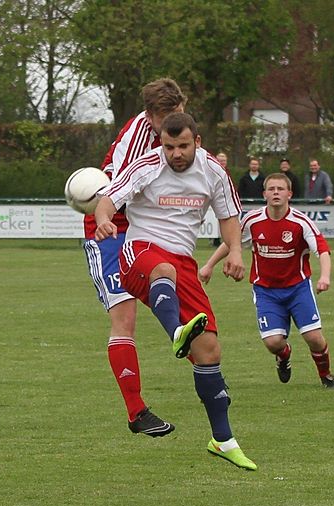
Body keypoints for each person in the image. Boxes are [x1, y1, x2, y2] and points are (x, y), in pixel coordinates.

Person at [94, 112, 257, 471]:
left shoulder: (213, 171)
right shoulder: (146, 165)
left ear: (197, 142)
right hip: (141, 254)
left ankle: (223, 440)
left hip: (183, 264)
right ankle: (176, 333)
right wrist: (105, 218)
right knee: (162, 270)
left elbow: (229, 215)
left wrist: (235, 251)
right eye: (169, 147)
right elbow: (108, 199)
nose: (175, 153)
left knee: (210, 350)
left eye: (183, 146)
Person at [82, 78, 187, 439]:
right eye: (164, 118)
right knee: (124, 318)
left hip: (147, 225)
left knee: (171, 284)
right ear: (149, 115)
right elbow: (114, 189)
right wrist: (103, 217)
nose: (170, 124)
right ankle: (136, 412)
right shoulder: (138, 137)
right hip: (111, 227)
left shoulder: (176, 132)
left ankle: (200, 359)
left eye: (176, 114)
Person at [199, 173, 334, 388]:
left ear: (289, 194)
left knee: (314, 338)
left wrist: (325, 277)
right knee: (273, 343)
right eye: (271, 189)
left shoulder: (300, 222)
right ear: (264, 194)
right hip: (266, 291)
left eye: (280, 189)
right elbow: (231, 242)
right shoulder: (253, 220)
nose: (276, 193)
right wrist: (209, 265)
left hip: (297, 289)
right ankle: (284, 356)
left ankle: (326, 376)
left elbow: (322, 250)